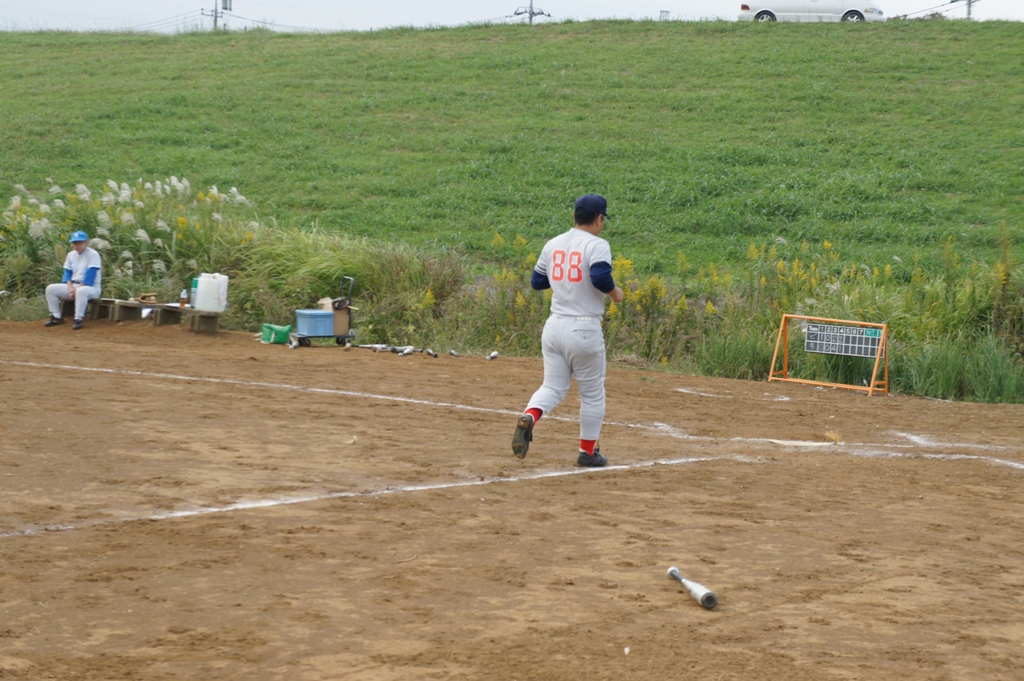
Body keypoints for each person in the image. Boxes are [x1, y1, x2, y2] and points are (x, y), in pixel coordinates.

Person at [512, 194, 625, 467]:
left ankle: (530, 415)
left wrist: (564, 284)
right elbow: (599, 276)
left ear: (574, 216)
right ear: (599, 219)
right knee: (592, 393)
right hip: (584, 329)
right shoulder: (598, 245)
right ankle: (587, 453)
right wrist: (615, 293)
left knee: (552, 386)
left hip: (554, 327)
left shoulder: (553, 244)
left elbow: (538, 282)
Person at [44, 230, 103, 331]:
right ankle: (56, 316)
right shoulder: (71, 255)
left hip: (91, 287)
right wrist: (71, 288)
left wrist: (75, 289)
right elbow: (67, 274)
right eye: (75, 243)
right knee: (51, 289)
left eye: (80, 242)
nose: (77, 245)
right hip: (74, 285)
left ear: (86, 243)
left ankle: (78, 319)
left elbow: (90, 276)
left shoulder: (93, 254)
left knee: (81, 291)